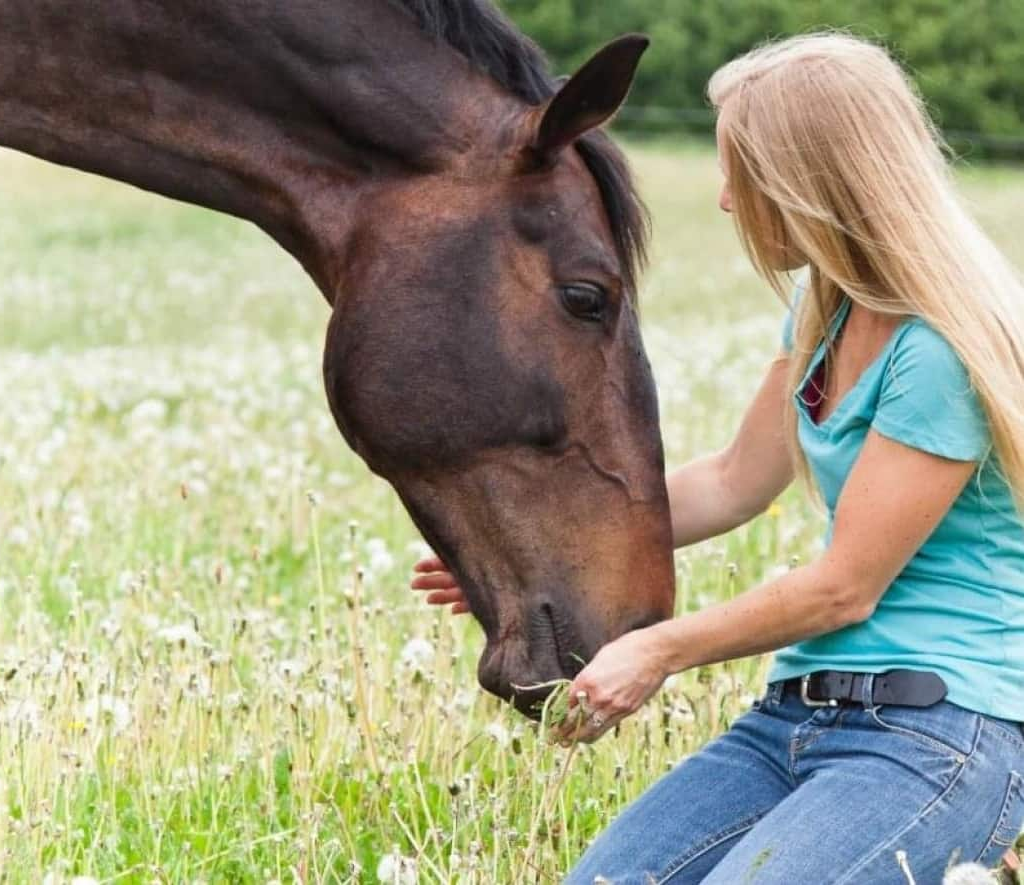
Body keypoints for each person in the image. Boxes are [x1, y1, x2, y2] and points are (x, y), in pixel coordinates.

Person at [411, 32, 1024, 884]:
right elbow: (734, 481)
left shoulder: (938, 352)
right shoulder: (827, 308)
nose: (727, 201)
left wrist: (658, 648)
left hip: (941, 733)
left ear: (811, 183)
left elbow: (846, 585)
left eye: (742, 171)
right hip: (793, 718)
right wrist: (523, 542)